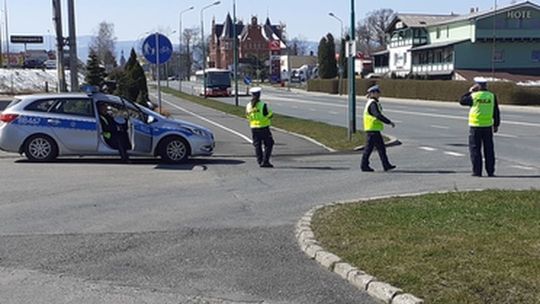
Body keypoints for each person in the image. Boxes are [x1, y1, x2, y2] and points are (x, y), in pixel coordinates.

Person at [460, 77, 500, 177]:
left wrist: (469, 92)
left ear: (477, 85)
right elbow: (496, 111)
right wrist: (496, 124)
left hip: (475, 126)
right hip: (487, 126)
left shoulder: (474, 96)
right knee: (489, 149)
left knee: (475, 149)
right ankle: (490, 171)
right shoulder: (491, 96)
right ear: (486, 86)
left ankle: (477, 171)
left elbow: (462, 101)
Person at [361, 85, 396, 172]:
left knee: (378, 148)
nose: (379, 94)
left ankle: (385, 165)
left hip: (373, 129)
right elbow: (377, 115)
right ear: (373, 93)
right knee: (372, 149)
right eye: (377, 92)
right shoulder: (372, 103)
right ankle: (364, 165)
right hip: (372, 129)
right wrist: (388, 122)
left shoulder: (373, 102)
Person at [245, 87, 274, 168]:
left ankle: (260, 160)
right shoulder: (263, 105)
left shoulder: (248, 105)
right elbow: (269, 115)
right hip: (263, 127)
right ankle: (265, 161)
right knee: (269, 144)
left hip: (253, 127)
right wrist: (270, 115)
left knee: (257, 145)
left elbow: (247, 116)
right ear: (259, 95)